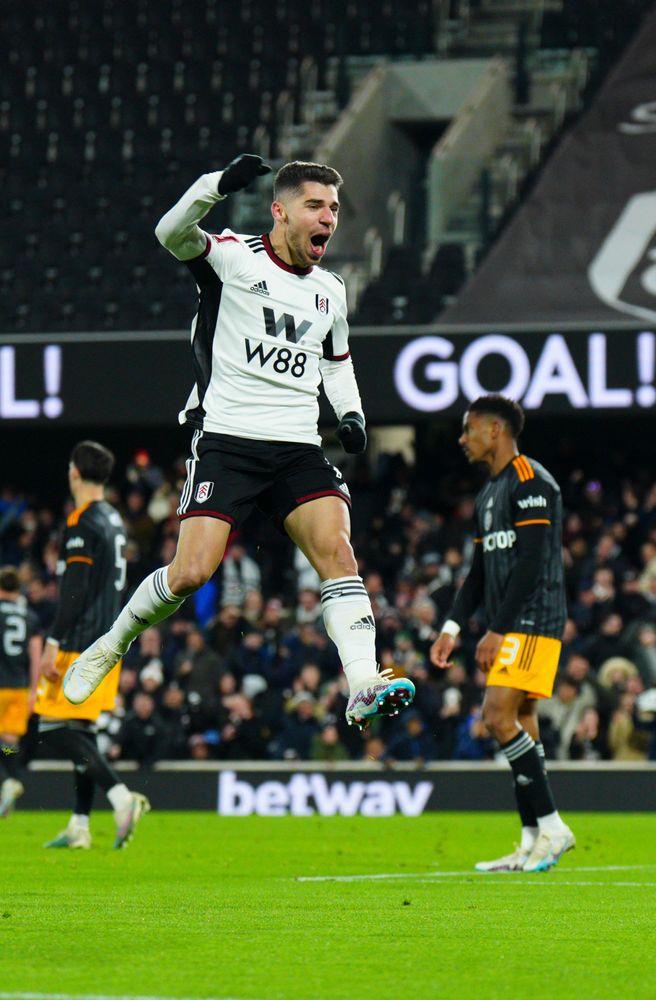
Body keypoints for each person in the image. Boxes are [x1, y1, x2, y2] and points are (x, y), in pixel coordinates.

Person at [64, 154, 414, 730]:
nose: (329, 217)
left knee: (339, 554)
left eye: (334, 208)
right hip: (228, 438)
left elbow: (337, 362)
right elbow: (168, 233)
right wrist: (216, 185)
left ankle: (361, 683)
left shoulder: (330, 289)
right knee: (191, 573)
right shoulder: (231, 257)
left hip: (299, 446)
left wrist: (351, 414)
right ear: (279, 211)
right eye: (315, 206)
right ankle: (113, 643)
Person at [430, 395, 575, 873]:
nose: (462, 439)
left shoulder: (532, 481)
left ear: (494, 430)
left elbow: (531, 564)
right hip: (512, 623)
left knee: (496, 715)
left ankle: (553, 825)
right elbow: (478, 572)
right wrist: (452, 626)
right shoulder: (488, 493)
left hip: (533, 618)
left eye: (468, 429)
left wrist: (495, 629)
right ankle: (532, 839)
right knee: (523, 722)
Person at [34, 441, 149, 849]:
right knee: (82, 730)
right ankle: (80, 824)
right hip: (109, 641)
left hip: (80, 642)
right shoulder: (114, 519)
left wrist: (52, 641)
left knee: (50, 728)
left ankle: (121, 798)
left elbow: (74, 590)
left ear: (74, 473)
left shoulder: (82, 520)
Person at [0, 566, 42, 817]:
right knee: (9, 742)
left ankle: (6, 781)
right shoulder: (30, 616)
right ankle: (9, 786)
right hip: (19, 686)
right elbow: (35, 656)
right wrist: (34, 689)